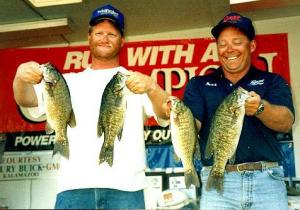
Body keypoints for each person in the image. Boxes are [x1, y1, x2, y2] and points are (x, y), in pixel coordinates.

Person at [13, 4, 170, 209]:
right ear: (89, 37)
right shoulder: (65, 81)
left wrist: (153, 87)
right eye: (99, 33)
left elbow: (167, 112)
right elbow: (26, 100)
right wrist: (20, 76)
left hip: (127, 188)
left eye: (112, 34)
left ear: (122, 40)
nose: (105, 38)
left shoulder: (135, 81)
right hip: (73, 188)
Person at [183, 12, 295, 210]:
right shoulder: (198, 84)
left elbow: (286, 121)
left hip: (267, 182)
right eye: (222, 43)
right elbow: (193, 127)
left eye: (236, 41)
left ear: (251, 45)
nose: (229, 49)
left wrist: (260, 108)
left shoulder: (272, 81)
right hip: (217, 183)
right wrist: (177, 117)